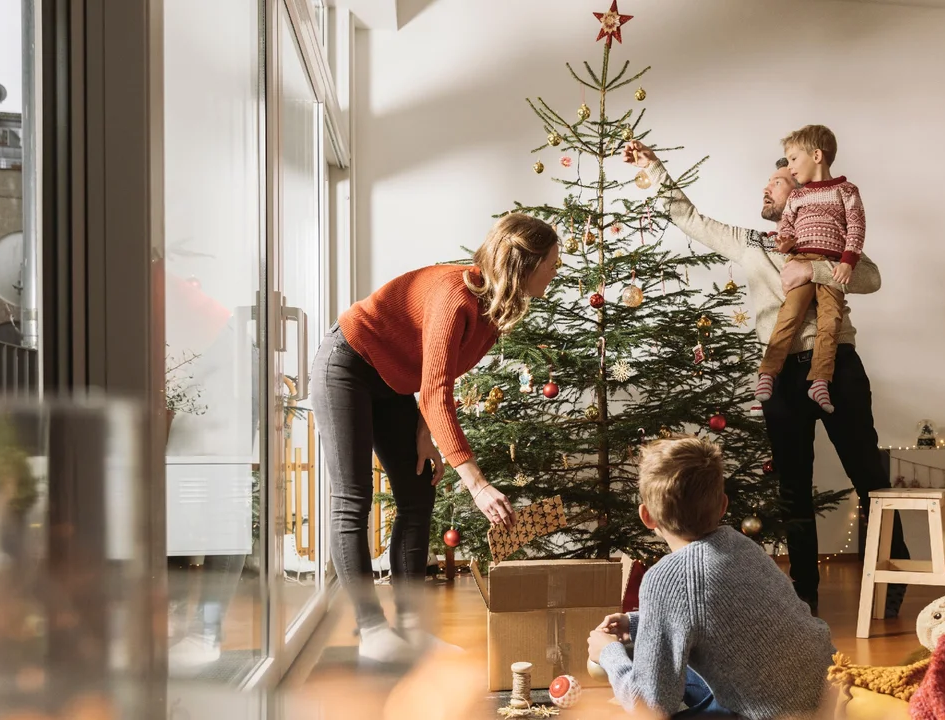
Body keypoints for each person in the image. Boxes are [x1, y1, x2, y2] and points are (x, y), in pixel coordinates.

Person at [622, 139, 908, 618]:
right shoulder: (750, 241)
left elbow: (871, 277)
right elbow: (690, 217)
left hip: (838, 364)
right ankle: (805, 596)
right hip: (780, 376)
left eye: (777, 183)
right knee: (794, 487)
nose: (767, 190)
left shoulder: (837, 246)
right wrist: (654, 166)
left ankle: (894, 583)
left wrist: (813, 267)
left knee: (869, 477)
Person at [310, 213, 559, 667]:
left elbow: (437, 377)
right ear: (528, 263)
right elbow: (438, 389)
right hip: (347, 365)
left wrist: (425, 434)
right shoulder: (455, 294)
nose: (557, 272)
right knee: (352, 498)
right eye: (553, 263)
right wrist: (478, 484)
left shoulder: (496, 310)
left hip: (393, 386)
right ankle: (370, 631)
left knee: (418, 491)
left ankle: (411, 630)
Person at [587, 436, 835, 719]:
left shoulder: (665, 577)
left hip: (780, 714)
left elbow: (652, 706)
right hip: (830, 693)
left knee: (638, 680)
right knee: (652, 653)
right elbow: (723, 613)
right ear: (723, 506)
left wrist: (607, 654)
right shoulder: (742, 546)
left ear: (647, 516)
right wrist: (637, 621)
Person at [758, 125, 865, 414]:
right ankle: (768, 371)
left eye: (793, 159)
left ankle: (820, 380)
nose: (790, 167)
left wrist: (846, 262)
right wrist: (785, 243)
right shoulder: (796, 198)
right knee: (789, 313)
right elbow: (788, 226)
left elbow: (855, 227)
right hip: (801, 258)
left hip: (830, 263)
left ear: (816, 155)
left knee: (830, 320)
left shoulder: (846, 191)